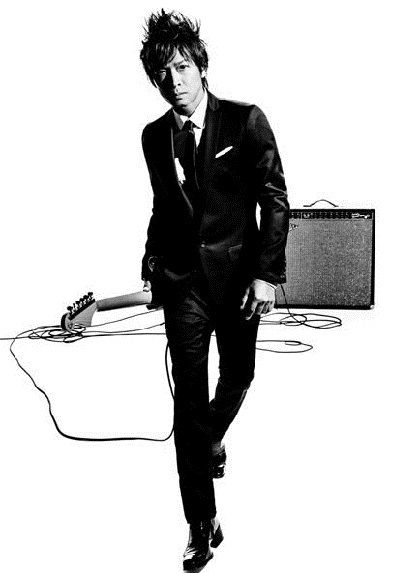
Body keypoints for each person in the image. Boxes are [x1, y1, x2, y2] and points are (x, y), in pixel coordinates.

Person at [139, 10, 289, 570]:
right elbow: (162, 207)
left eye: (181, 67)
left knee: (240, 374)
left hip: (240, 282)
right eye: (162, 73)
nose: (173, 80)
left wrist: (267, 275)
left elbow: (275, 200)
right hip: (184, 288)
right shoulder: (153, 137)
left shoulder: (245, 121)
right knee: (188, 404)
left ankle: (213, 438)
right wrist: (151, 261)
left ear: (201, 67)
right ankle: (201, 523)